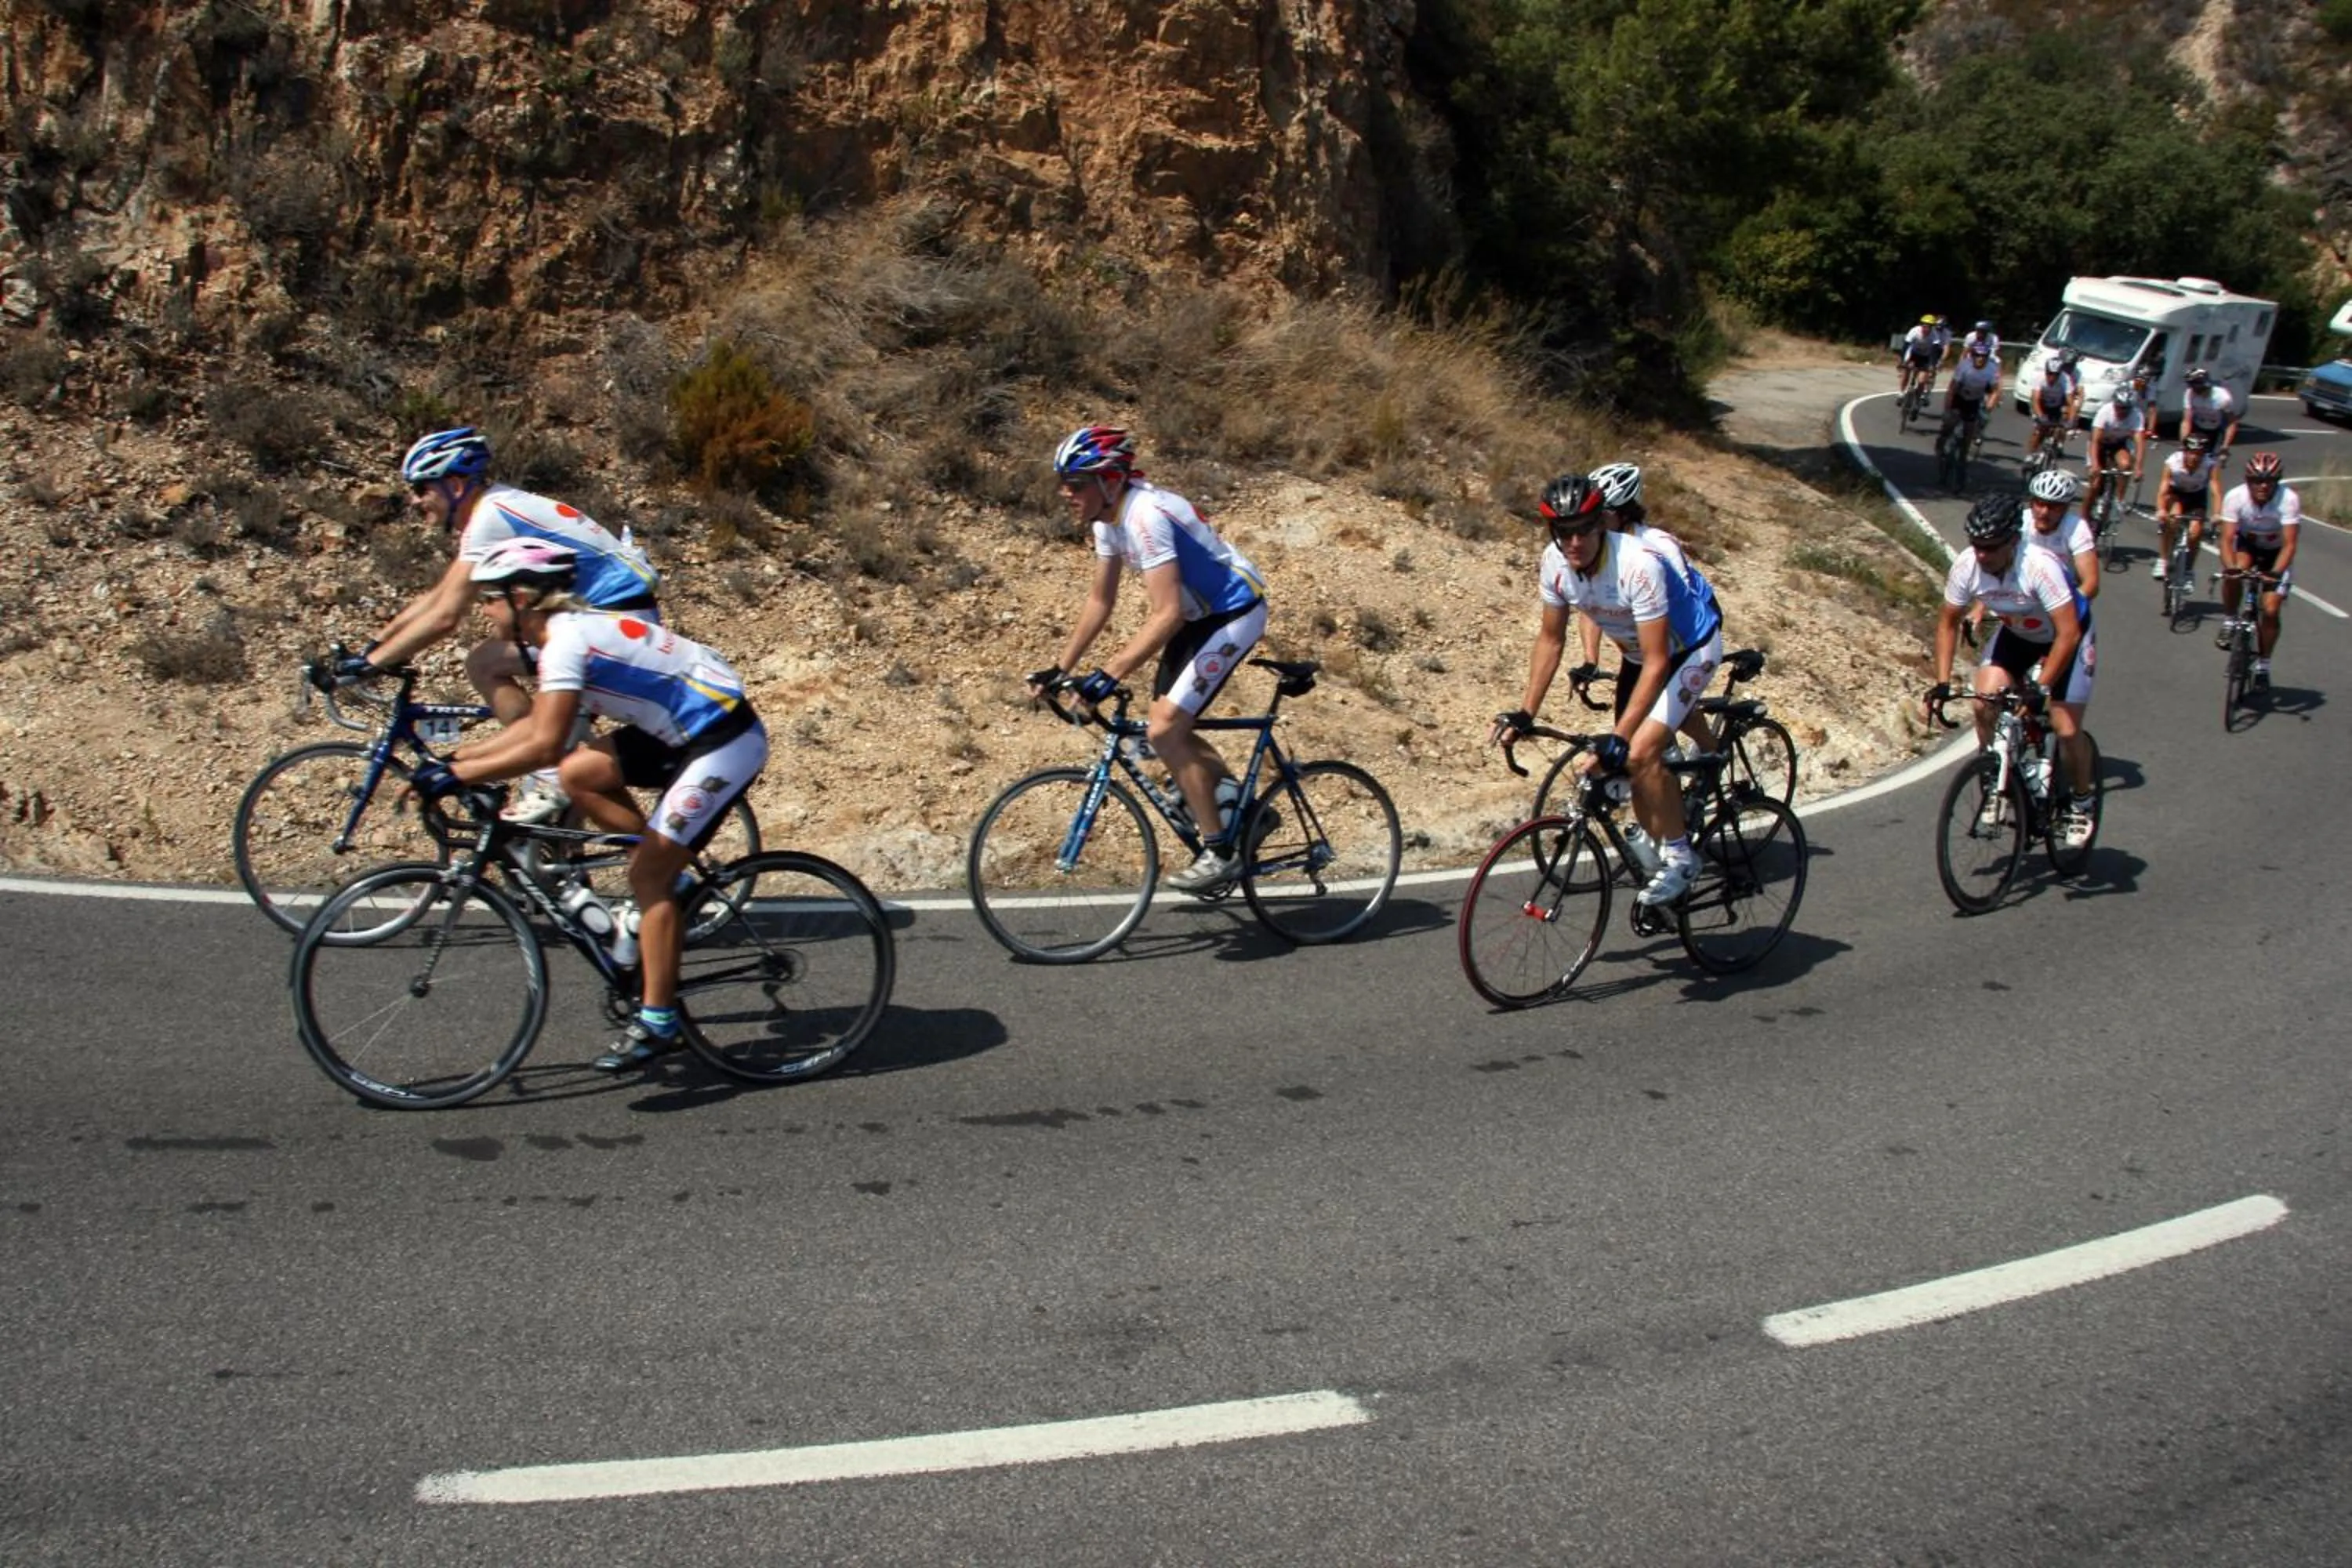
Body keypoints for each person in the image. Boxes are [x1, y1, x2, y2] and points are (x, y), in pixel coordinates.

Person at [405, 539, 768, 1073]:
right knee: (580, 774)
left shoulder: (567, 642)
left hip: (723, 739)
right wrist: (454, 762)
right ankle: (672, 881)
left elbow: (544, 745)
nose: (481, 608)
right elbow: (535, 729)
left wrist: (456, 774)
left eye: (490, 597)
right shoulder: (555, 639)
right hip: (681, 729)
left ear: (523, 597)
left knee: (647, 878)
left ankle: (658, 1021)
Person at [347, 426, 662, 822]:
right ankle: (564, 847)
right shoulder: (495, 508)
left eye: (422, 488)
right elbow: (437, 597)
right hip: (608, 615)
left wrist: (371, 665)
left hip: (611, 619)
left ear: (456, 483)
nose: (414, 500)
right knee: (514, 667)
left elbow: (445, 616)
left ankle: (549, 771)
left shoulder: (490, 519)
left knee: (486, 663)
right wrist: (372, 649)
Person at [1029, 425, 1270, 893]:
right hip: (1199, 616)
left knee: (1164, 728)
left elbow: (1167, 614)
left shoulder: (1145, 518)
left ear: (1110, 481)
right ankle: (1247, 813)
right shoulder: (1108, 521)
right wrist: (1062, 667)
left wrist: (1107, 674)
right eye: (1065, 482)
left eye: (1076, 483)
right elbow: (1101, 601)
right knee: (1165, 726)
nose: (1066, 493)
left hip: (1236, 611)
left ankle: (1219, 851)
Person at [1490, 474, 1725, 907]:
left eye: (1582, 529)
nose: (1574, 542)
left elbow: (1658, 662)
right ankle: (1659, 851)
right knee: (1624, 767)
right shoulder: (1554, 563)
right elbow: (1550, 640)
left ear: (1601, 524)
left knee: (1637, 752)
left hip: (1689, 651)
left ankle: (1682, 858)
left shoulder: (1639, 563)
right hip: (1641, 658)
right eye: (1563, 532)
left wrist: (1620, 736)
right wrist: (1527, 712)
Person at [1929, 494, 2098, 849]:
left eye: (1991, 547)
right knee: (1983, 702)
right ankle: (1995, 777)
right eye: (1976, 546)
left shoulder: (2039, 566)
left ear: (2013, 541)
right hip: (2019, 634)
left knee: (2066, 729)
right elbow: (1948, 622)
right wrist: (1942, 682)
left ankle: (2082, 801)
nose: (1982, 555)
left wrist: (2042, 686)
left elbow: (2068, 633)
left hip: (2066, 638)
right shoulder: (1967, 566)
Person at [1587, 461, 1723, 754]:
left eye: (1603, 515)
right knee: (1625, 721)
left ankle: (1714, 752)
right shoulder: (1598, 550)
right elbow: (1592, 605)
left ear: (1623, 514)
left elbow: (1683, 604)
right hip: (1643, 639)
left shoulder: (1657, 543)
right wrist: (1590, 660)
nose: (1594, 523)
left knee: (1670, 704)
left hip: (1689, 631)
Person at [2214, 452, 2301, 685]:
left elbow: (2290, 545)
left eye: (2269, 481)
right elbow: (2226, 539)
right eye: (2256, 481)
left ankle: (2264, 665)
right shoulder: (2235, 497)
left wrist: (2275, 574)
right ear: (2247, 481)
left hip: (2276, 553)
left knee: (2271, 609)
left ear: (2277, 482)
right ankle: (2230, 621)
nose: (2263, 486)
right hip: (2248, 546)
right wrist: (2230, 568)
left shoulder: (2288, 499)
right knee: (2234, 573)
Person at [2152, 434, 2219, 594]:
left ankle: (2188, 570)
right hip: (2176, 495)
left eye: (2199, 454)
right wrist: (2161, 509)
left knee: (2195, 533)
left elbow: (2216, 490)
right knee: (2172, 520)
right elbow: (2163, 488)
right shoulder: (2172, 463)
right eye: (2191, 453)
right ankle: (2163, 559)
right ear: (2184, 451)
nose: (2194, 457)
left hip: (2197, 497)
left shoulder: (2210, 465)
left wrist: (2217, 514)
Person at [2024, 468, 2099, 599]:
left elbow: (2091, 583)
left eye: (2053, 507)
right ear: (2031, 503)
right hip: (2020, 595)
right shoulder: (2020, 522)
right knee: (1983, 618)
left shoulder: (2076, 527)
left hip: (2061, 596)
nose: (2044, 512)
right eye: (2040, 504)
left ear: (2065, 508)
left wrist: (2072, 605)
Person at [2083, 386, 2147, 517]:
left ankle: (2119, 498)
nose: (2122, 412)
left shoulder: (2137, 415)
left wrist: (2139, 468)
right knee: (2095, 484)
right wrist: (2095, 465)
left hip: (2118, 444)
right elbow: (2095, 440)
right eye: (2118, 407)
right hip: (2099, 444)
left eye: (2126, 409)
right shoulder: (2105, 412)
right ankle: (2084, 516)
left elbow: (2140, 443)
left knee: (2126, 465)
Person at [1940, 338, 2002, 453]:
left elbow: (1995, 390)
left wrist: (1990, 404)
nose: (1980, 359)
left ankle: (1965, 451)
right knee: (1950, 420)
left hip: (1976, 397)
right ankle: (1943, 441)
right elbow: (1952, 388)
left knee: (1972, 425)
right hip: (1961, 394)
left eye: (1983, 356)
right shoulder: (1964, 366)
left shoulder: (1991, 369)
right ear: (1972, 356)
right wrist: (1948, 407)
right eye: (1977, 355)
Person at [2023, 352, 2082, 466]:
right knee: (2039, 430)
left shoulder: (2066, 379)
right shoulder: (2039, 378)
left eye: (2055, 374)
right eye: (2049, 374)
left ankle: (2055, 446)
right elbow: (2035, 399)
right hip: (2041, 405)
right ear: (2046, 371)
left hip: (2057, 406)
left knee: (2060, 425)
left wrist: (2071, 421)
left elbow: (2071, 403)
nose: (2052, 377)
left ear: (2060, 373)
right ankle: (2031, 454)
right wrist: (2040, 416)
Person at [2180, 368, 2240, 466]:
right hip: (2197, 426)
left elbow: (2232, 422)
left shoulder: (2223, 398)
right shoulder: (2189, 394)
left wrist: (2225, 446)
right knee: (2189, 459)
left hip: (2215, 430)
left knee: (2208, 462)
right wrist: (2184, 442)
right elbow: (2186, 420)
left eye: (2193, 385)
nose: (2191, 388)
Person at [1897, 314, 1951, 398]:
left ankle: (1920, 397)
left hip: (1926, 357)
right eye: (1924, 326)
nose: (1926, 329)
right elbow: (1906, 346)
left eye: (1929, 327)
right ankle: (1901, 392)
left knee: (1922, 380)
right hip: (1913, 353)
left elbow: (1935, 352)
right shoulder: (1914, 331)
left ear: (1932, 328)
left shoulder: (1935, 336)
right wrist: (1902, 361)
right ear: (1921, 325)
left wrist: (1933, 365)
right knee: (1906, 371)